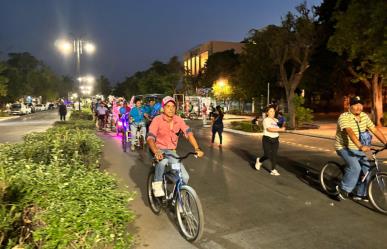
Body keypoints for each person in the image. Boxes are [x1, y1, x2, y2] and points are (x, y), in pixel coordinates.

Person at [147, 96, 204, 197]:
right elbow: (150, 138)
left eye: (173, 106)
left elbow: (188, 133)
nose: (171, 109)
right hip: (157, 149)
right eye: (168, 106)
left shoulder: (178, 120)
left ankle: (178, 200)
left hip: (171, 153)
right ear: (163, 108)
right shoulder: (157, 120)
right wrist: (156, 151)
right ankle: (157, 185)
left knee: (184, 177)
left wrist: (197, 148)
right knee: (163, 162)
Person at [335, 96, 387, 200]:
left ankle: (360, 193)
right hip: (345, 148)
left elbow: (374, 130)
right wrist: (360, 146)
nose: (358, 107)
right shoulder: (344, 117)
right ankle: (343, 189)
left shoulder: (364, 116)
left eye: (360, 104)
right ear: (350, 106)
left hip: (361, 148)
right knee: (355, 168)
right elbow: (349, 131)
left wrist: (385, 142)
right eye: (355, 104)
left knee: (368, 168)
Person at [255, 105, 286, 176]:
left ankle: (273, 170)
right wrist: (280, 129)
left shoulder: (276, 120)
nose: (273, 113)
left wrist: (283, 123)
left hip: (276, 139)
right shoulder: (266, 120)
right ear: (267, 113)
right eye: (271, 111)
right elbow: (270, 129)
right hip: (267, 139)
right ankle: (259, 160)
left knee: (274, 155)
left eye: (273, 111)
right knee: (267, 155)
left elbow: (282, 126)